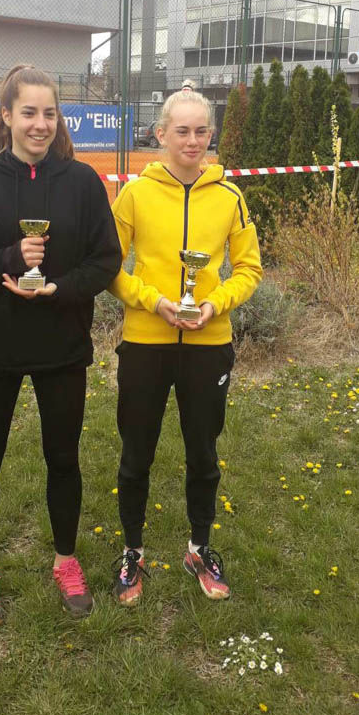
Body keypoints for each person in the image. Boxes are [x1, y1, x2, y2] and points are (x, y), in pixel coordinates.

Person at [0, 64, 121, 626]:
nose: (40, 124)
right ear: (7, 117)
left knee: (63, 458)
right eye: (29, 112)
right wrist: (7, 260)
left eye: (49, 113)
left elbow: (106, 260)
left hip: (62, 345)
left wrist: (61, 288)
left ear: (58, 119)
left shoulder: (83, 182)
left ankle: (66, 561)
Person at [108, 88, 262, 604]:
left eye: (201, 131)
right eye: (182, 131)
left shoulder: (230, 197)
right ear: (161, 134)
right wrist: (152, 301)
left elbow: (249, 268)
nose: (192, 141)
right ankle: (133, 551)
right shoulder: (135, 194)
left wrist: (215, 305)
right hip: (146, 341)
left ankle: (199, 547)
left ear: (210, 134)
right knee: (136, 452)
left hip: (207, 344)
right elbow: (109, 266)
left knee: (204, 453)